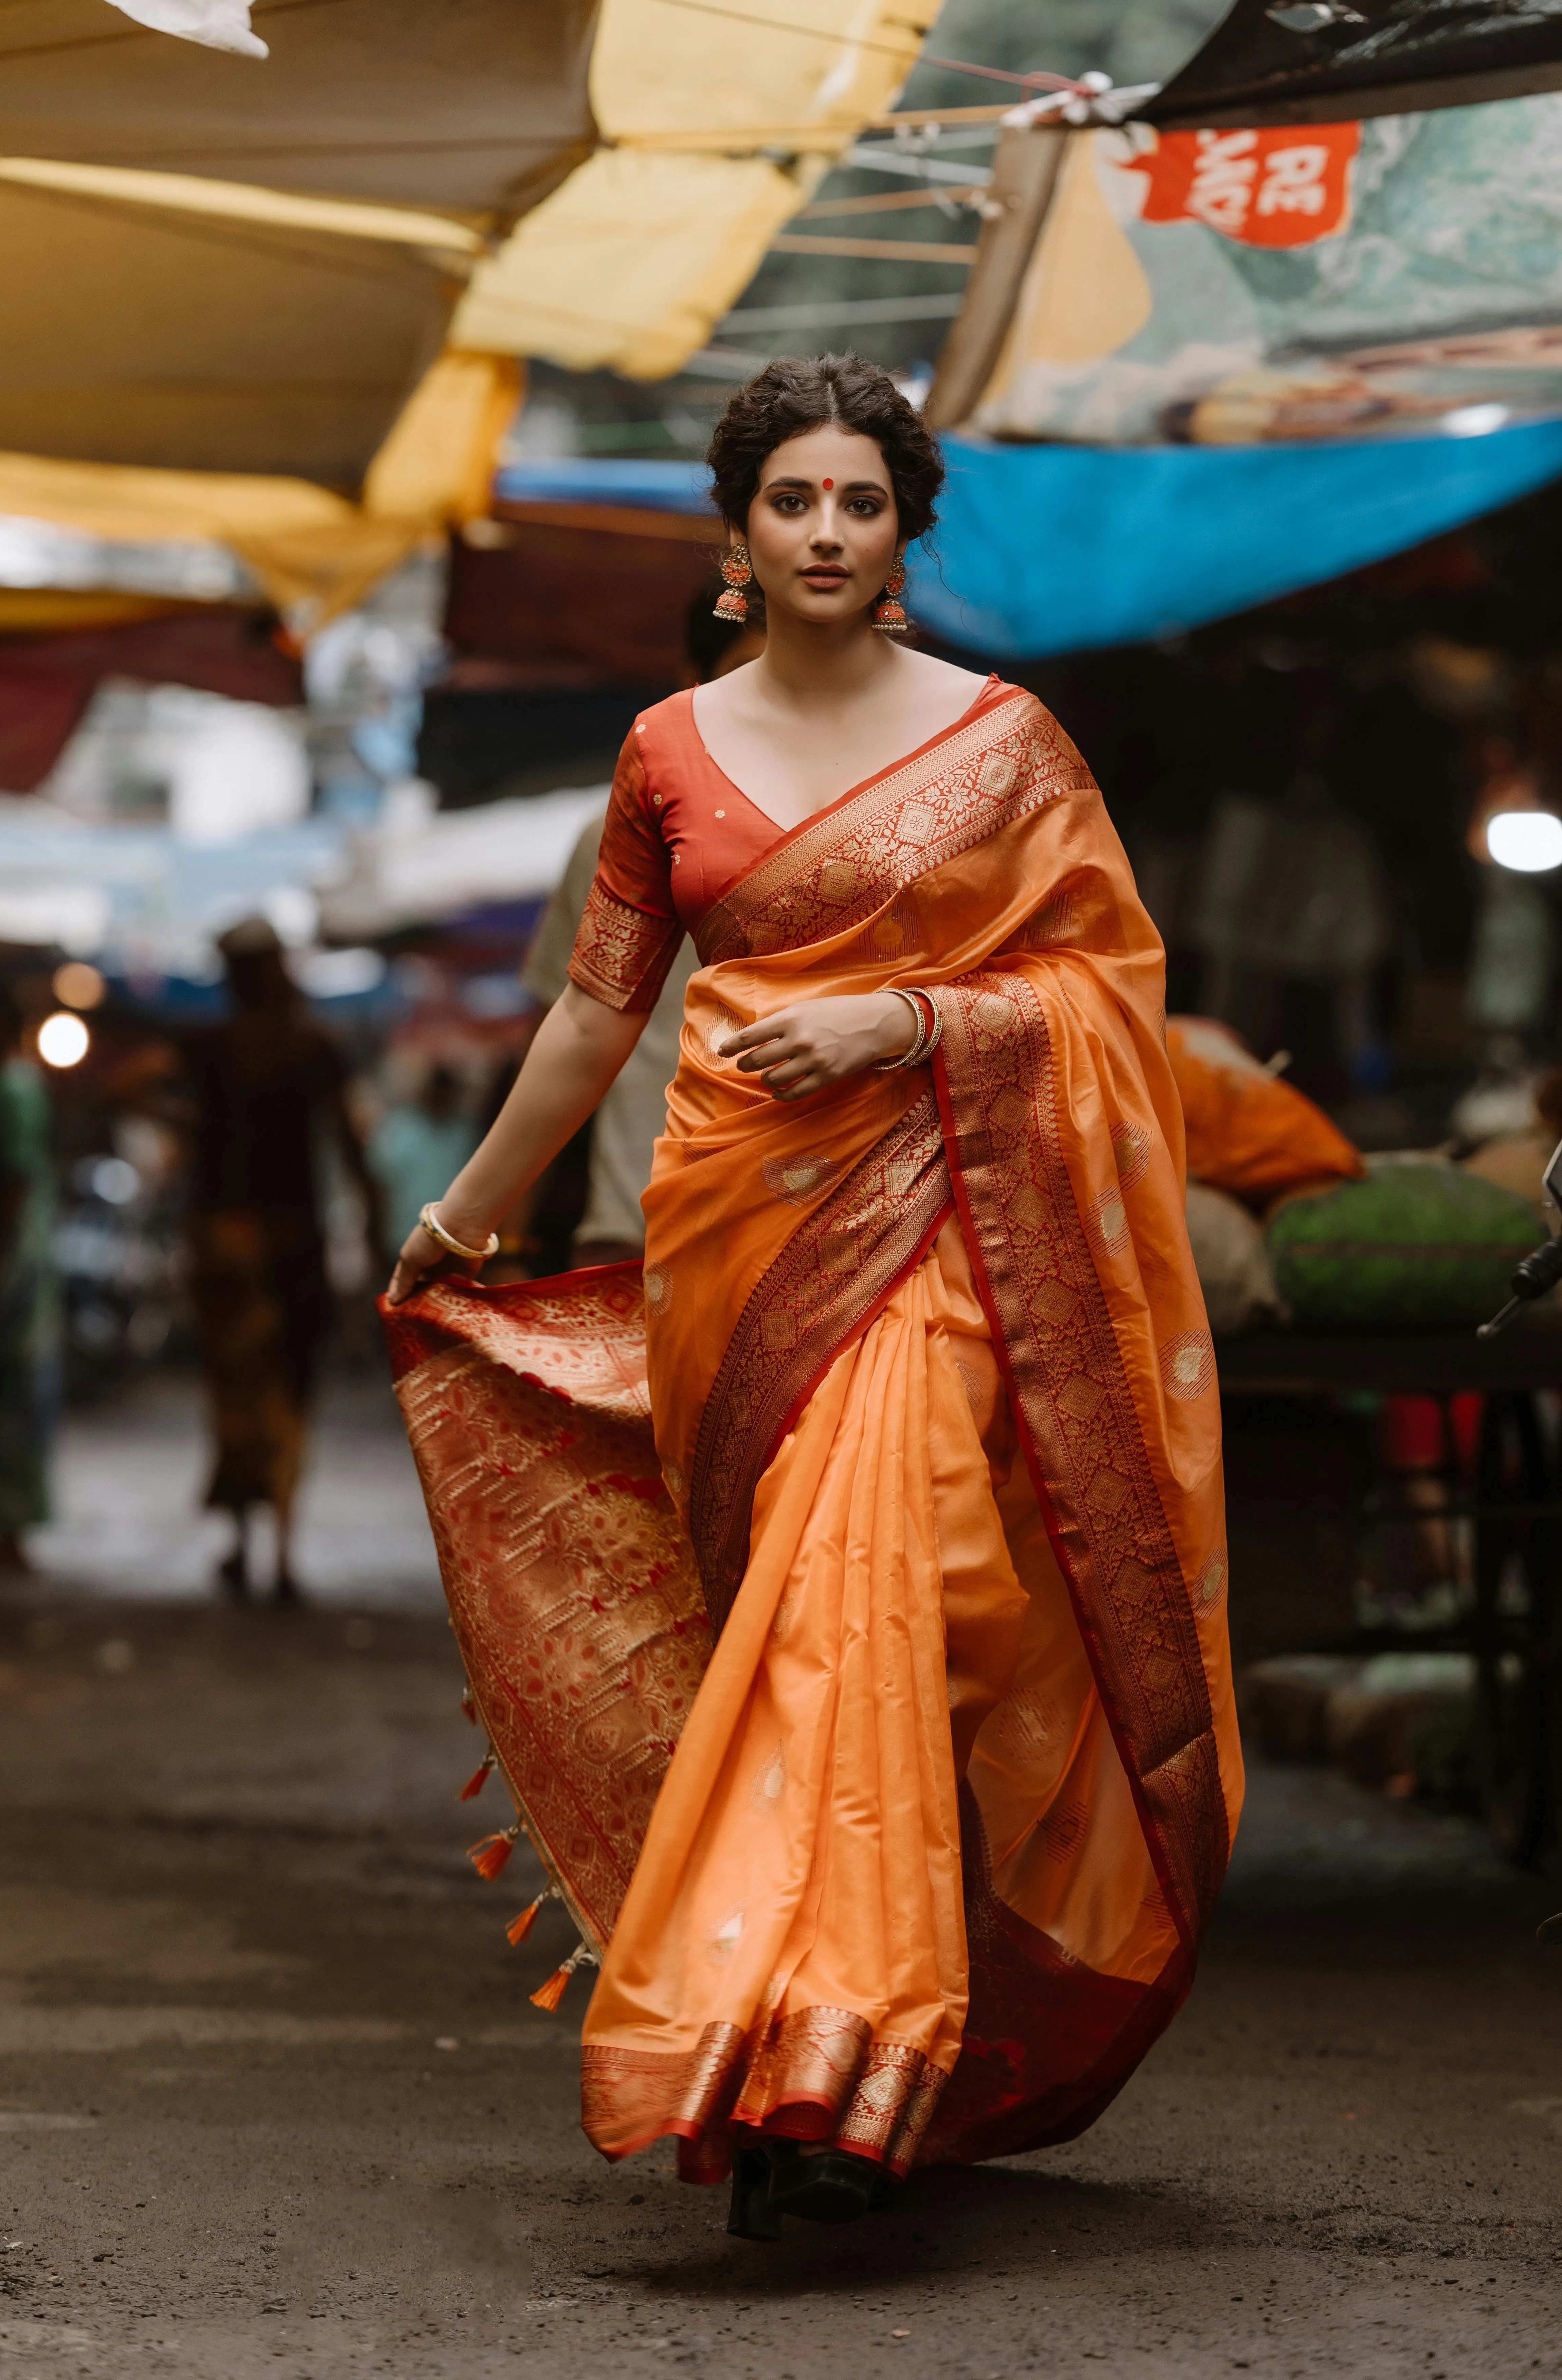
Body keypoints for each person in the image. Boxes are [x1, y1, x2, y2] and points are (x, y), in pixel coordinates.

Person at [385, 354, 1242, 2237]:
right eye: (793, 501)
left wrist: (910, 1022)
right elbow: (594, 1012)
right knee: (790, 1635)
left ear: (903, 534)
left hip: (947, 1231)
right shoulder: (663, 751)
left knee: (889, 1604)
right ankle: (798, 2053)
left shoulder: (1003, 747)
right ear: (737, 531)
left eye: (861, 501)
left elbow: (1102, 992)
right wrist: (462, 1214)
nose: (827, 531)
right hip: (730, 1243)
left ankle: (837, 2064)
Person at [518, 589, 765, 1265]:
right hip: (634, 1229)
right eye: (749, 676)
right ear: (694, 685)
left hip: (812, 1249)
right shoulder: (619, 838)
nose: (778, 703)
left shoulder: (877, 841)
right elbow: (566, 1035)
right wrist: (495, 1232)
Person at [187, 917, 382, 1605]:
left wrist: (189, 1132)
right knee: (292, 1393)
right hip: (293, 1243)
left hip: (224, 1241)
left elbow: (127, 1087)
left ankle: (245, 1543)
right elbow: (351, 1149)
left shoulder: (209, 1048)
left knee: (237, 1395)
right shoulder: (313, 1048)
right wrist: (379, 1229)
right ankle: (281, 1551)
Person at [0, 968, 57, 1574]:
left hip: (8, 1263)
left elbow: (15, 1179)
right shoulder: (1, 1086)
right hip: (5, 1256)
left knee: (9, 1391)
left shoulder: (12, 1089)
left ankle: (10, 1527)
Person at [367, 1062, 479, 1250]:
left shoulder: (465, 1131)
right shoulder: (400, 1128)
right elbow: (379, 1183)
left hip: (453, 1238)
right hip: (402, 1234)